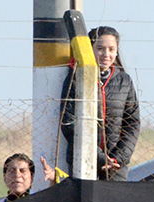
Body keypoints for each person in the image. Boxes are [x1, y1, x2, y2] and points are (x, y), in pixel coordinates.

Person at [60, 25, 140, 181]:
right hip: (83, 161)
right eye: (100, 49)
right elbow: (68, 122)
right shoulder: (76, 79)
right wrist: (100, 157)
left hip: (116, 168)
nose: (106, 54)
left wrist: (117, 159)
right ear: (90, 50)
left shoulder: (125, 81)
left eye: (111, 49)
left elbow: (132, 123)